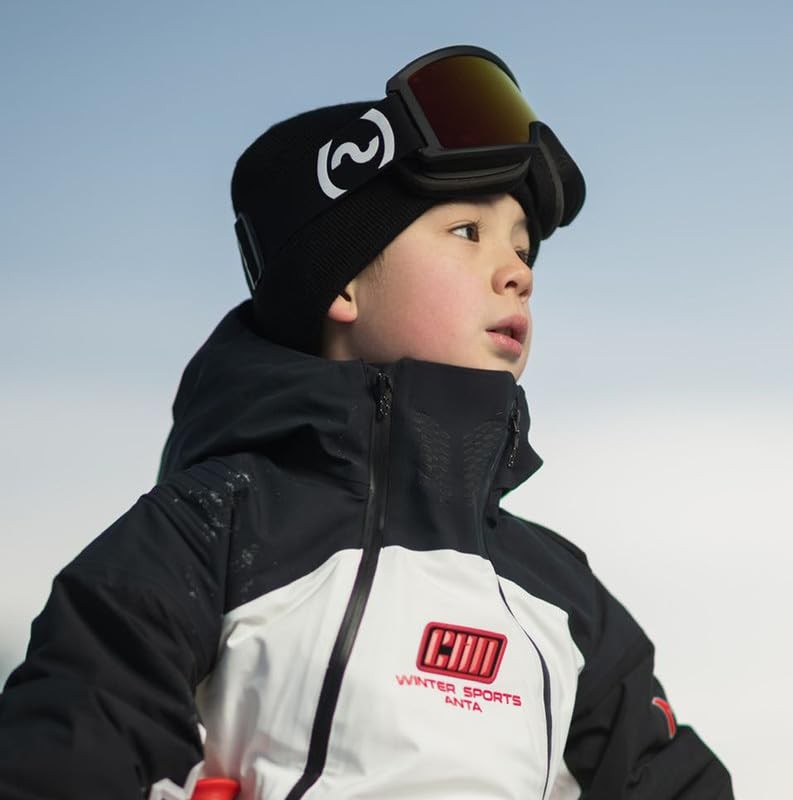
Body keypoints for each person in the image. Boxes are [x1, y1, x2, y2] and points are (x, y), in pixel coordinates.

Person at [0, 46, 733, 799]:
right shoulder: (213, 529)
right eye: (467, 232)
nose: (519, 271)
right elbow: (72, 741)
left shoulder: (562, 592)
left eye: (522, 245)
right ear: (343, 283)